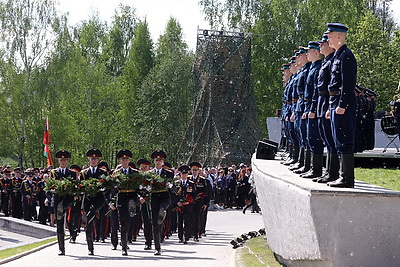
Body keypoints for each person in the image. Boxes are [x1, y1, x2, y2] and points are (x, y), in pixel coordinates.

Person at [325, 23, 357, 188]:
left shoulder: (347, 55)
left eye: (330, 36)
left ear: (339, 36)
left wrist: (342, 104)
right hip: (334, 101)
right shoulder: (337, 55)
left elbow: (348, 83)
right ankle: (341, 176)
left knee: (344, 139)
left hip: (342, 102)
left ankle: (347, 178)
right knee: (338, 140)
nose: (328, 39)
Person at [313, 34, 340, 183]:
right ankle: (329, 172)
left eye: (323, 43)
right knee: (326, 139)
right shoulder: (326, 62)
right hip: (322, 101)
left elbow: (332, 86)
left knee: (331, 139)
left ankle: (333, 172)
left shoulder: (332, 61)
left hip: (328, 100)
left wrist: (330, 105)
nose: (322, 46)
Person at [301, 41, 324, 179]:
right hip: (306, 105)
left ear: (316, 52)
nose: (307, 54)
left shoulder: (317, 68)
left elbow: (316, 90)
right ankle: (309, 166)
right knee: (307, 137)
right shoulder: (312, 68)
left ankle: (316, 169)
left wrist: (313, 108)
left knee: (314, 138)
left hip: (313, 105)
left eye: (309, 52)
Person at [51, 149, 77, 255]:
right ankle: (61, 248)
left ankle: (72, 235)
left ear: (67, 161)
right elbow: (51, 186)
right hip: (58, 199)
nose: (63, 162)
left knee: (70, 218)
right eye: (61, 160)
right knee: (60, 224)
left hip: (68, 199)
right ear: (58, 161)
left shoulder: (72, 173)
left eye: (65, 160)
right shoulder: (54, 172)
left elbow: (75, 186)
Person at [81, 148, 107, 255]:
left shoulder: (103, 172)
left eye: (95, 159)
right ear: (89, 160)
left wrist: (103, 187)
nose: (93, 161)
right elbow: (81, 186)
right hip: (87, 199)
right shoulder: (84, 173)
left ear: (98, 160)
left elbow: (107, 185)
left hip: (98, 199)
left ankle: (86, 219)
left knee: (91, 214)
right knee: (89, 224)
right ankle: (90, 247)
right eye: (92, 159)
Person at [112, 149, 139, 256]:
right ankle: (124, 246)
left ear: (129, 160)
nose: (125, 161)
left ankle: (133, 208)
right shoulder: (116, 173)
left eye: (127, 159)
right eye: (123, 159)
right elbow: (112, 189)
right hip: (122, 196)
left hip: (132, 196)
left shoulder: (135, 172)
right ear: (120, 161)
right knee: (123, 222)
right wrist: (112, 201)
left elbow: (139, 186)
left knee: (129, 220)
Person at [150, 149, 173, 255]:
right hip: (154, 197)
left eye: (160, 160)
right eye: (156, 160)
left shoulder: (168, 173)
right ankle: (157, 247)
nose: (158, 162)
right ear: (154, 161)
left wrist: (170, 186)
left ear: (163, 162)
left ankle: (162, 212)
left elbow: (172, 187)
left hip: (164, 196)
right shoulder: (150, 173)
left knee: (163, 208)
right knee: (155, 224)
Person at [175, 165, 196, 244]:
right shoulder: (177, 183)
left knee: (187, 221)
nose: (184, 175)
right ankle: (180, 237)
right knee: (179, 221)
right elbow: (173, 194)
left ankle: (186, 236)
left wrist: (189, 201)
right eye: (182, 173)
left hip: (188, 205)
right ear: (180, 174)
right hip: (179, 205)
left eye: (185, 173)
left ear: (188, 174)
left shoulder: (191, 184)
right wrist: (177, 202)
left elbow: (194, 194)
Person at [137, 158, 153, 250]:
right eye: (141, 167)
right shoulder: (138, 177)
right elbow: (135, 189)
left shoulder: (152, 176)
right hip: (140, 201)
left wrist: (146, 198)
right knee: (143, 222)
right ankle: (148, 241)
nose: (143, 169)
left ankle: (151, 240)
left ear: (149, 167)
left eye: (145, 167)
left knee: (150, 222)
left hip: (150, 201)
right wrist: (139, 197)